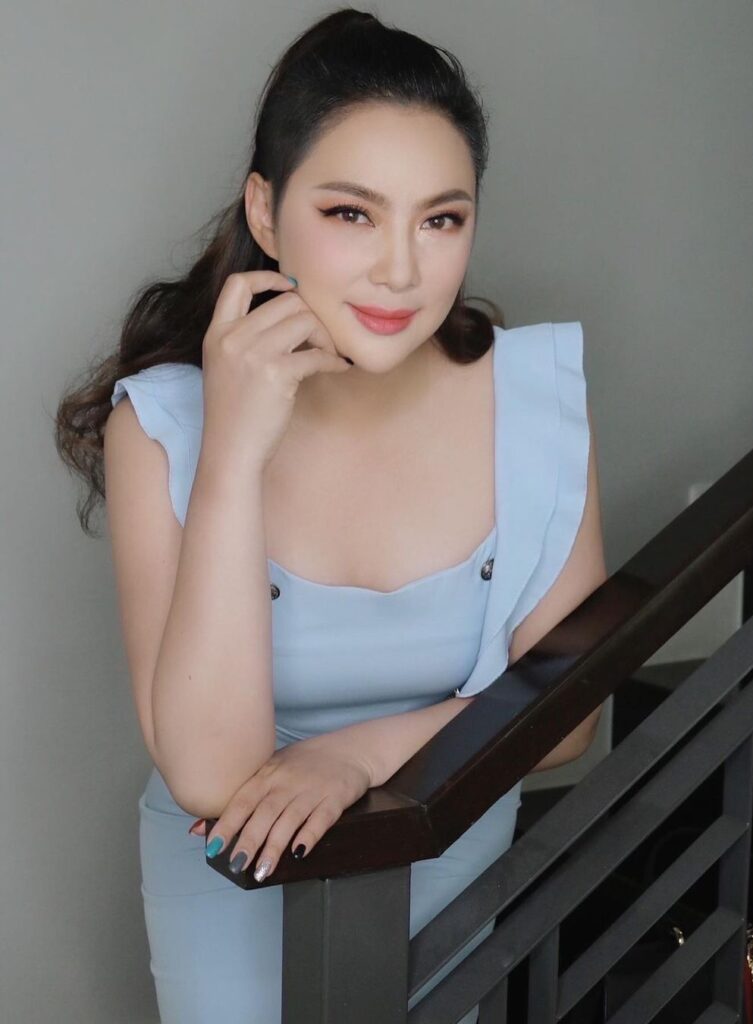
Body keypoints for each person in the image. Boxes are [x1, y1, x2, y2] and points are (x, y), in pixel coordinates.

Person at [53, 8, 607, 1022]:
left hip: (445, 844)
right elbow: (213, 774)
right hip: (233, 872)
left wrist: (356, 753)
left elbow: (570, 715)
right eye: (352, 213)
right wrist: (234, 451)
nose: (400, 268)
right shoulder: (164, 425)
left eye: (441, 219)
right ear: (266, 214)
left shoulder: (533, 396)